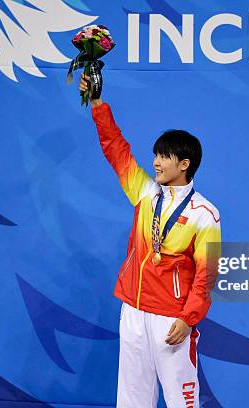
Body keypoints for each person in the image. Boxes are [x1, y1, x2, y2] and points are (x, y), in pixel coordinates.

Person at [80, 75, 221, 407]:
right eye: (156, 155)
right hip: (133, 309)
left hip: (171, 317)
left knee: (180, 400)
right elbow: (116, 150)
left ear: (184, 164)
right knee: (131, 400)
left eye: (165, 156)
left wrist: (188, 318)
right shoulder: (145, 193)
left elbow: (207, 276)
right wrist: (98, 104)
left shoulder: (205, 214)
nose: (156, 162)